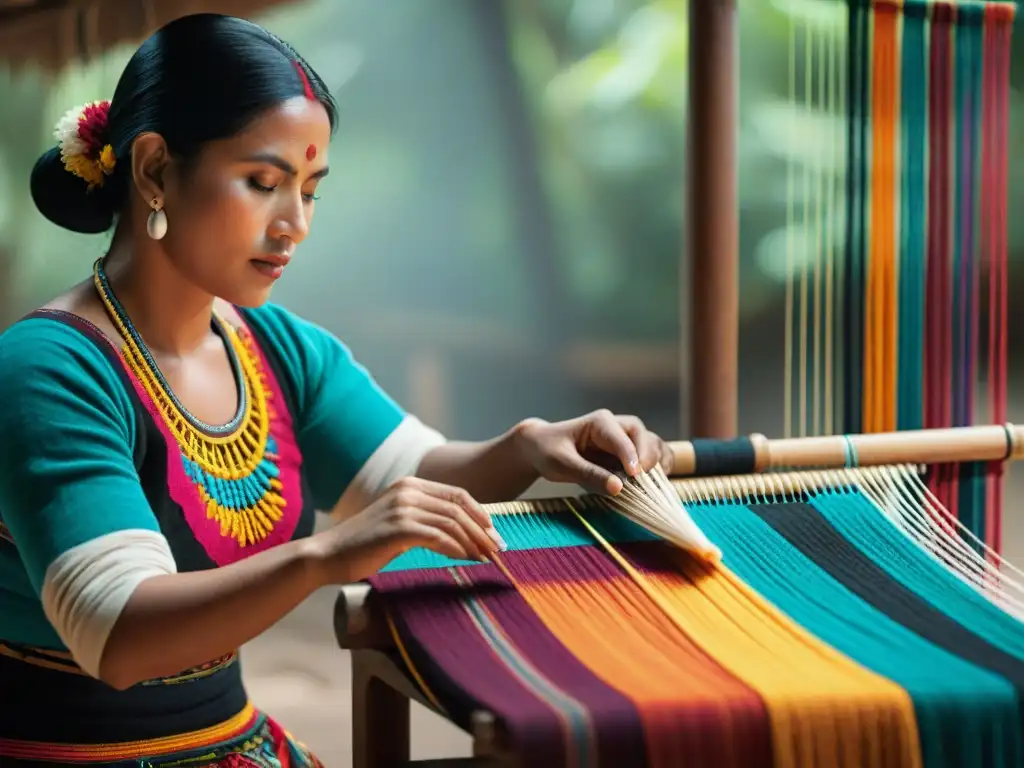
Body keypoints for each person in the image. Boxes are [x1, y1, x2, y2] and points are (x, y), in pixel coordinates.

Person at [0, 13, 675, 767]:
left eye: (310, 190)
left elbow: (412, 479)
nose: (295, 225)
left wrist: (530, 446)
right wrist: (323, 557)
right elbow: (119, 636)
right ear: (155, 169)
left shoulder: (277, 350)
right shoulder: (49, 370)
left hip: (237, 745)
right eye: (263, 183)